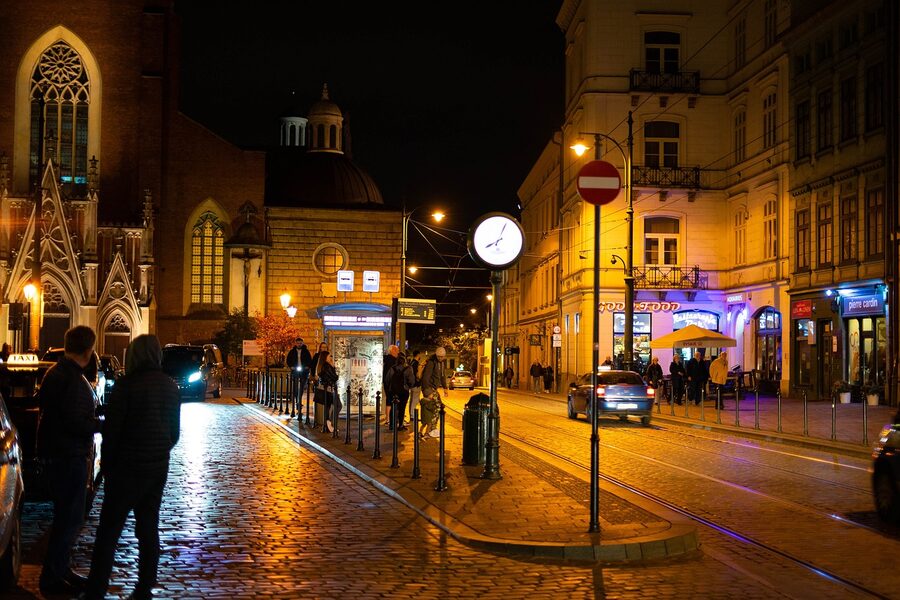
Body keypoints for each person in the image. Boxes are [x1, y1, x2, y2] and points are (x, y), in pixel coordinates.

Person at [80, 335, 181, 600]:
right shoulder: (170, 387)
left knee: (109, 532)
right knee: (148, 529)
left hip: (125, 469)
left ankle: (96, 590)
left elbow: (112, 432)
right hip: (156, 468)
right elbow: (174, 433)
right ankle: (144, 587)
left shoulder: (126, 386)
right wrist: (159, 452)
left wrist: (108, 466)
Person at [36, 325, 101, 595]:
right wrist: (100, 425)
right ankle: (52, 578)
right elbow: (74, 422)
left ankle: (61, 570)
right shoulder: (72, 379)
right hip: (68, 455)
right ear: (89, 349)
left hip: (60, 453)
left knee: (67, 518)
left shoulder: (60, 372)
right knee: (69, 519)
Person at [419, 347, 449, 439]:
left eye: (442, 357)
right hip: (429, 389)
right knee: (436, 407)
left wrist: (445, 387)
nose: (440, 358)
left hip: (434, 389)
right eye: (439, 357)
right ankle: (431, 430)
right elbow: (426, 377)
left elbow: (442, 376)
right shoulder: (431, 363)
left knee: (437, 408)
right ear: (436, 355)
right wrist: (427, 391)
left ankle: (427, 430)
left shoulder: (442, 363)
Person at [386, 352, 415, 431]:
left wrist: (390, 388)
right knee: (402, 408)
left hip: (394, 391)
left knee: (393, 407)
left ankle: (392, 425)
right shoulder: (408, 369)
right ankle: (400, 425)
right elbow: (412, 381)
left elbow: (387, 379)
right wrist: (408, 386)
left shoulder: (392, 368)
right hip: (404, 391)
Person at [316, 350, 340, 432]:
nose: (331, 357)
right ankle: (330, 423)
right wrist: (333, 367)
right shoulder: (327, 366)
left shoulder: (322, 366)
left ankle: (327, 424)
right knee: (338, 405)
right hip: (329, 389)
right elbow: (335, 377)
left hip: (326, 390)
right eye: (330, 356)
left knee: (328, 407)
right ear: (325, 358)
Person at [407, 350, 422, 424]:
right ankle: (413, 416)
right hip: (416, 384)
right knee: (415, 400)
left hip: (412, 384)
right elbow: (418, 375)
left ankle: (411, 415)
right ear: (418, 354)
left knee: (412, 400)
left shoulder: (411, 362)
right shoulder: (416, 364)